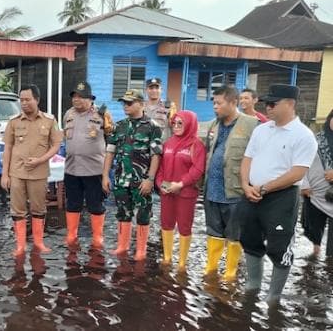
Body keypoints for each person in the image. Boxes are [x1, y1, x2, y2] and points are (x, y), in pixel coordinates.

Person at [239, 84, 317, 304]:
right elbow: (247, 159)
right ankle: (253, 285)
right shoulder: (261, 129)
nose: (268, 107)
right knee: (250, 238)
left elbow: (297, 173)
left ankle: (274, 296)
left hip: (281, 198)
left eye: (273, 103)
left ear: (290, 104)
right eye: (267, 103)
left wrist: (265, 188)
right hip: (251, 193)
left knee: (279, 245)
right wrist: (245, 184)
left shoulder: (304, 136)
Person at [203, 86, 259, 280]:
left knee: (235, 234)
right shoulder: (213, 125)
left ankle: (230, 273)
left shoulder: (253, 125)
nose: (215, 107)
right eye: (214, 103)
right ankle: (211, 269)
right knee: (213, 231)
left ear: (233, 103)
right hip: (212, 190)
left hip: (235, 192)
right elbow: (208, 152)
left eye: (219, 103)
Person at [1, 84, 63, 256]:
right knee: (17, 209)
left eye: (27, 100)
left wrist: (40, 160)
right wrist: (5, 174)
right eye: (21, 100)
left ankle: (38, 242)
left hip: (39, 173)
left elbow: (56, 145)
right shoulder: (13, 122)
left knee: (39, 208)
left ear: (37, 100)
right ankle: (20, 245)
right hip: (17, 173)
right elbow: (8, 148)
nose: (24, 103)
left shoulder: (50, 121)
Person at [102, 89, 162, 259]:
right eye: (124, 103)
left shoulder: (152, 127)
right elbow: (110, 152)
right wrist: (105, 176)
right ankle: (122, 245)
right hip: (121, 179)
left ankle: (141, 250)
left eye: (130, 103)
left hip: (141, 181)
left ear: (141, 104)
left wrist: (150, 179)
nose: (125, 106)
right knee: (122, 212)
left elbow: (156, 155)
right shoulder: (120, 126)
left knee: (143, 213)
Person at [156, 110, 206, 271]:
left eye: (180, 123)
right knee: (166, 223)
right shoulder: (168, 143)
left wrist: (181, 183)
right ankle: (167, 257)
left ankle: (182, 262)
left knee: (184, 226)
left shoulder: (196, 144)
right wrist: (161, 185)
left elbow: (198, 169)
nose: (176, 126)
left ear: (189, 125)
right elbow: (161, 167)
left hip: (186, 193)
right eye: (174, 123)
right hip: (167, 192)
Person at [63, 81, 109, 248]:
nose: (77, 100)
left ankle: (97, 237)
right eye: (74, 96)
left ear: (90, 99)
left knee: (95, 204)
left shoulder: (101, 115)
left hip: (94, 170)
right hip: (72, 168)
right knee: (72, 203)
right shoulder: (68, 114)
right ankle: (71, 234)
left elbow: (112, 140)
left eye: (81, 97)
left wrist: (107, 171)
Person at [301, 110, 333, 257]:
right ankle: (315, 251)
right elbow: (301, 162)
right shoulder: (314, 140)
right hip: (314, 193)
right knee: (312, 226)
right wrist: (304, 184)